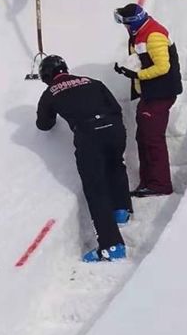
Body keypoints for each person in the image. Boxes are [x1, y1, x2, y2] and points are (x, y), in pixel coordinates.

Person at [35, 55, 132, 262]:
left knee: (95, 188)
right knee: (116, 164)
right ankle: (121, 210)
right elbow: (115, 106)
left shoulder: (51, 92)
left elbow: (43, 124)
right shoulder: (92, 81)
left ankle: (111, 246)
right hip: (114, 128)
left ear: (46, 76)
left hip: (89, 133)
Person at [113, 3, 183, 197]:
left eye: (125, 23)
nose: (124, 27)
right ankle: (148, 182)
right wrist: (127, 70)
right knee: (143, 137)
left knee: (152, 138)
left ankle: (160, 184)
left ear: (133, 23)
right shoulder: (140, 33)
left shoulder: (154, 35)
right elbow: (141, 61)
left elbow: (163, 67)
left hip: (160, 93)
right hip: (150, 94)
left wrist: (137, 74)